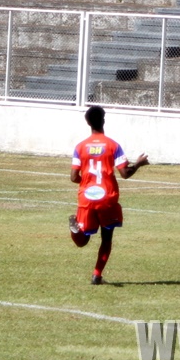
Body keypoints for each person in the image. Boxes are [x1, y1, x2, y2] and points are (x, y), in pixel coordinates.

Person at [68, 105, 149, 285]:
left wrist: (86, 182)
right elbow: (125, 173)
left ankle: (76, 231)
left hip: (86, 197)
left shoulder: (80, 147)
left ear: (88, 123)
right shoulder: (113, 145)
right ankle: (97, 275)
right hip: (107, 198)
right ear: (103, 121)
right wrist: (138, 164)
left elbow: (73, 177)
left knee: (83, 240)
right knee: (106, 238)